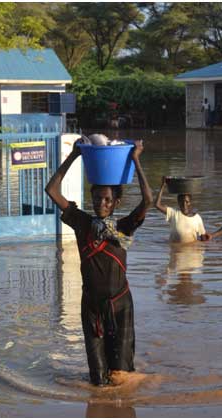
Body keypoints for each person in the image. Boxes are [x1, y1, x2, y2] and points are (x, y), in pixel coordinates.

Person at [45, 139, 153, 386]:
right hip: (91, 308)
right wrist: (74, 155)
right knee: (98, 380)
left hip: (121, 307)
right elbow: (51, 190)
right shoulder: (82, 223)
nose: (101, 204)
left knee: (120, 377)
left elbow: (148, 200)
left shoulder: (124, 227)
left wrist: (135, 158)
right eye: (96, 199)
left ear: (116, 203)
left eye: (106, 200)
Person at [155, 176, 209, 243]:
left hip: (193, 252)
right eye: (181, 202)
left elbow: (203, 239)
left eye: (187, 202)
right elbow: (157, 205)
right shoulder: (174, 214)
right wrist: (163, 186)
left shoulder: (197, 218)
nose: (184, 205)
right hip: (175, 252)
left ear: (190, 202)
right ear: (178, 202)